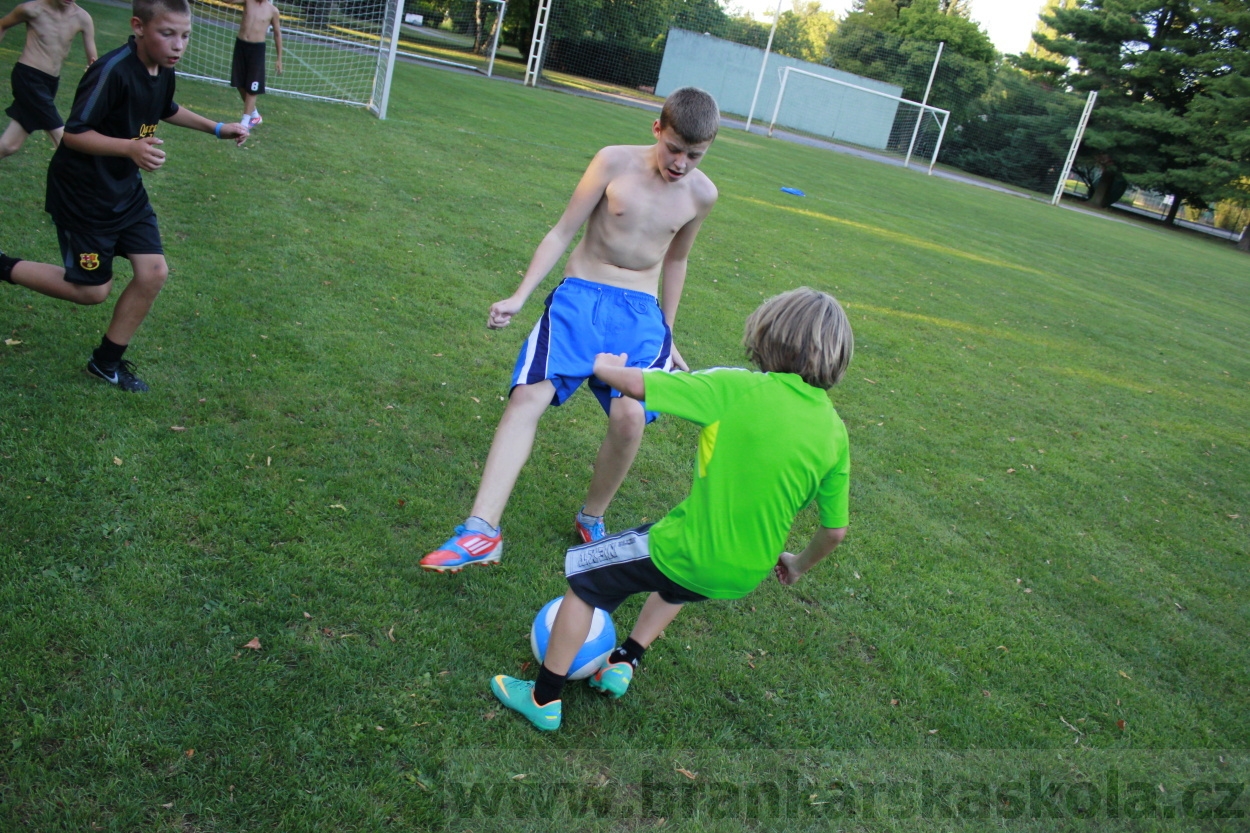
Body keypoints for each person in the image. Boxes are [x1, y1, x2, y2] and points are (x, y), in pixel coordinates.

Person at [489, 287, 855, 731]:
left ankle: (544, 698)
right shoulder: (835, 432)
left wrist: (606, 367)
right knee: (678, 585)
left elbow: (641, 385)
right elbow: (834, 531)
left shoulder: (736, 387)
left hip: (687, 548)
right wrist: (796, 565)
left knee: (585, 578)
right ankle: (626, 660)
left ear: (769, 334)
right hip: (742, 571)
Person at [420, 87, 721, 573]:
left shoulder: (702, 194)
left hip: (640, 316)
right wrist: (520, 296)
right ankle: (481, 531)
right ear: (657, 129)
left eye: (695, 155)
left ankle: (592, 516)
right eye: (674, 149)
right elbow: (562, 231)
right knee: (527, 397)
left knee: (629, 419)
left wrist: (667, 330)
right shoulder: (612, 163)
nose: (682, 163)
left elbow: (678, 260)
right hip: (580, 299)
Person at [0, 0, 249, 392]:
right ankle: (2, 266)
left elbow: (165, 107)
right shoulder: (113, 70)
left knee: (153, 272)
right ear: (138, 26)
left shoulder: (162, 68)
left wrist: (218, 128)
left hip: (125, 191)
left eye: (184, 35)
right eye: (167, 33)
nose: (177, 45)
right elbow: (75, 134)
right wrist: (131, 148)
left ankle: (106, 363)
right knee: (91, 290)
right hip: (84, 196)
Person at [0, 0, 97, 159]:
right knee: (62, 138)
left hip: (50, 83)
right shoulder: (32, 10)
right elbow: (2, 24)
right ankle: (83, 181)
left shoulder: (82, 18)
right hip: (27, 78)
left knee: (9, 145)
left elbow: (93, 60)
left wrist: (92, 69)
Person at [231, 0, 280, 129]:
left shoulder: (272, 11)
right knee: (239, 83)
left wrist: (279, 58)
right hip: (241, 45)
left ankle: (244, 122)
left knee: (252, 87)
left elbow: (277, 34)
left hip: (257, 50)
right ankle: (255, 115)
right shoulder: (248, 1)